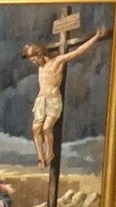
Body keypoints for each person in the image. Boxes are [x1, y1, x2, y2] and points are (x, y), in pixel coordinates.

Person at [21, 28, 109, 168]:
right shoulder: (40, 67)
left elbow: (78, 51)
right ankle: (40, 157)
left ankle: (49, 153)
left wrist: (96, 37)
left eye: (34, 60)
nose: (34, 63)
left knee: (46, 128)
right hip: (41, 101)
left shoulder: (57, 62)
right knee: (36, 129)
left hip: (53, 100)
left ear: (40, 55)